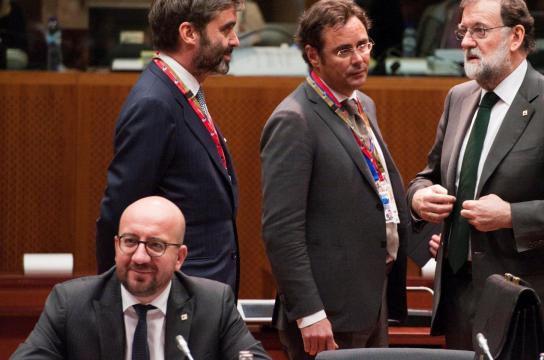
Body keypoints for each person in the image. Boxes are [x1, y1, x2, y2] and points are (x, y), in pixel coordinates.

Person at [407, 0, 544, 352]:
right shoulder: (458, 98)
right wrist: (418, 197)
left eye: (479, 30)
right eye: (463, 31)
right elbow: (428, 175)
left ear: (516, 36)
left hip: (525, 300)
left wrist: (511, 216)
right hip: (459, 295)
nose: (466, 42)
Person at [260, 1, 409, 358]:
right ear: (313, 55)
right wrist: (310, 312)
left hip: (370, 301)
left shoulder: (362, 104)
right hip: (326, 314)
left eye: (363, 44)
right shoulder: (294, 120)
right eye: (344, 50)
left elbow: (378, 193)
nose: (359, 58)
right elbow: (281, 230)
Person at [96, 0, 242, 295]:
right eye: (226, 29)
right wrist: (112, 300)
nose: (234, 40)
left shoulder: (180, 90)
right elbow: (120, 211)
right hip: (175, 296)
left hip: (201, 292)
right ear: (189, 32)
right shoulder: (155, 102)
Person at [11, 196, 270, 360]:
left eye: (156, 245)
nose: (140, 257)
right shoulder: (71, 303)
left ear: (179, 257)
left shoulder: (213, 304)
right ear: (116, 246)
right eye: (130, 242)